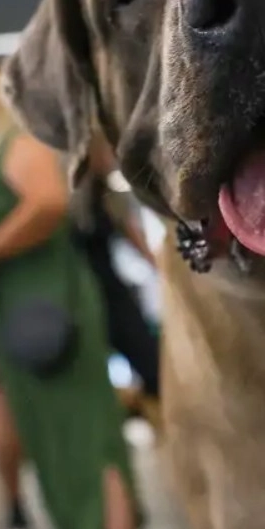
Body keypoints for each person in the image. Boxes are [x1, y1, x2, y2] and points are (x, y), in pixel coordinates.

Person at [0, 58, 137, 529]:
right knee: (53, 436)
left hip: (48, 303)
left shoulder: (17, 141)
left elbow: (48, 203)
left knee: (83, 431)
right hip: (15, 314)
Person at [71, 136, 161, 412]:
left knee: (150, 361)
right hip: (83, 297)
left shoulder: (108, 194)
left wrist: (160, 268)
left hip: (111, 292)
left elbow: (134, 236)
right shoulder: (75, 198)